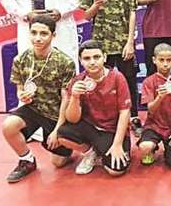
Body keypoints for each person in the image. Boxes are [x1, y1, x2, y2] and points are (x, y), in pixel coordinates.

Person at [1, 15, 76, 183]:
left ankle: (68, 143)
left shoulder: (65, 62)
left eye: (43, 33)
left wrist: (58, 129)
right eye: (33, 33)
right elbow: (20, 87)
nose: (38, 38)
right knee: (8, 126)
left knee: (58, 163)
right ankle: (27, 160)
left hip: (56, 114)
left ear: (53, 36)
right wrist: (23, 95)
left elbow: (66, 98)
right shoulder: (20, 59)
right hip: (33, 109)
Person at [80, 0, 142, 136]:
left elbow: (132, 12)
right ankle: (104, 121)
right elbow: (86, 16)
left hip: (123, 44)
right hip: (100, 47)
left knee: (129, 82)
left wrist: (130, 41)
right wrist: (96, 5)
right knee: (101, 84)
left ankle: (133, 118)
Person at [56, 40, 132, 176]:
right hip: (91, 129)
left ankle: (104, 151)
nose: (92, 62)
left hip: (112, 132)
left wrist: (117, 144)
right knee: (62, 134)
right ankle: (90, 153)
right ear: (80, 60)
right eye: (87, 58)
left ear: (105, 57)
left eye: (96, 57)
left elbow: (125, 112)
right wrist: (74, 97)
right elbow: (72, 119)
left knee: (116, 171)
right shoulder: (77, 81)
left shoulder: (117, 78)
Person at [137, 43, 171, 169]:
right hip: (154, 126)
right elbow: (150, 109)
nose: (165, 64)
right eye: (161, 60)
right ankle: (152, 148)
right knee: (145, 147)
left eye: (168, 60)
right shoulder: (148, 82)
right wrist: (160, 97)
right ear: (154, 60)